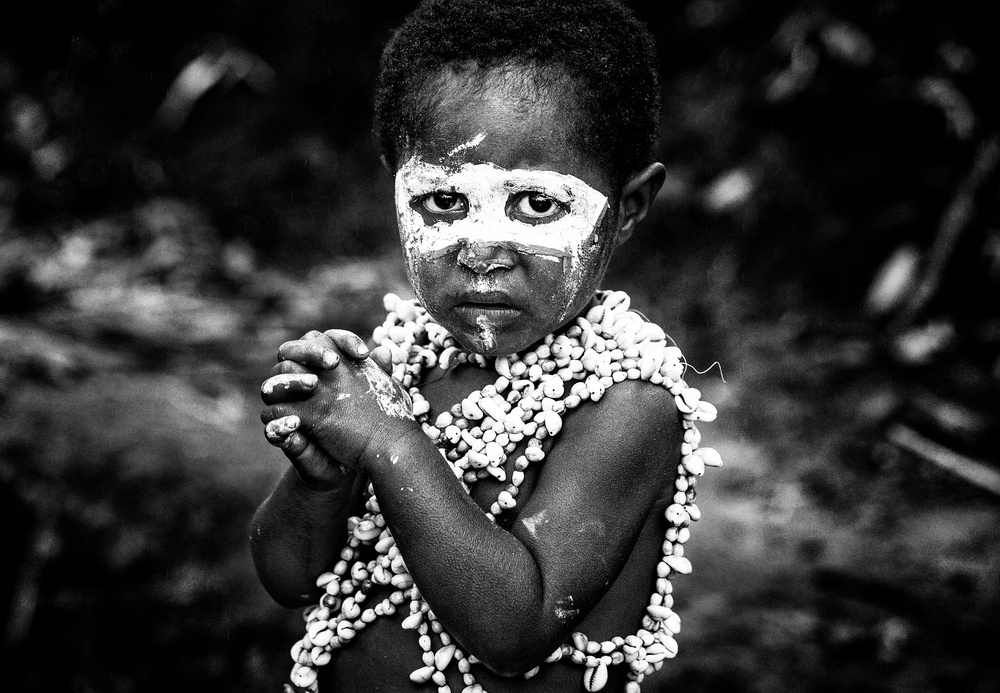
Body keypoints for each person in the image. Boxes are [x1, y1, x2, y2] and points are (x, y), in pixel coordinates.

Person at [250, 1, 722, 691]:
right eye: (443, 201)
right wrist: (319, 477)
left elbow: (514, 630)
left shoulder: (627, 403)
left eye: (536, 204)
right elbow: (289, 578)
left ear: (627, 209)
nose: (480, 251)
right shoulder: (400, 354)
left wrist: (390, 443)